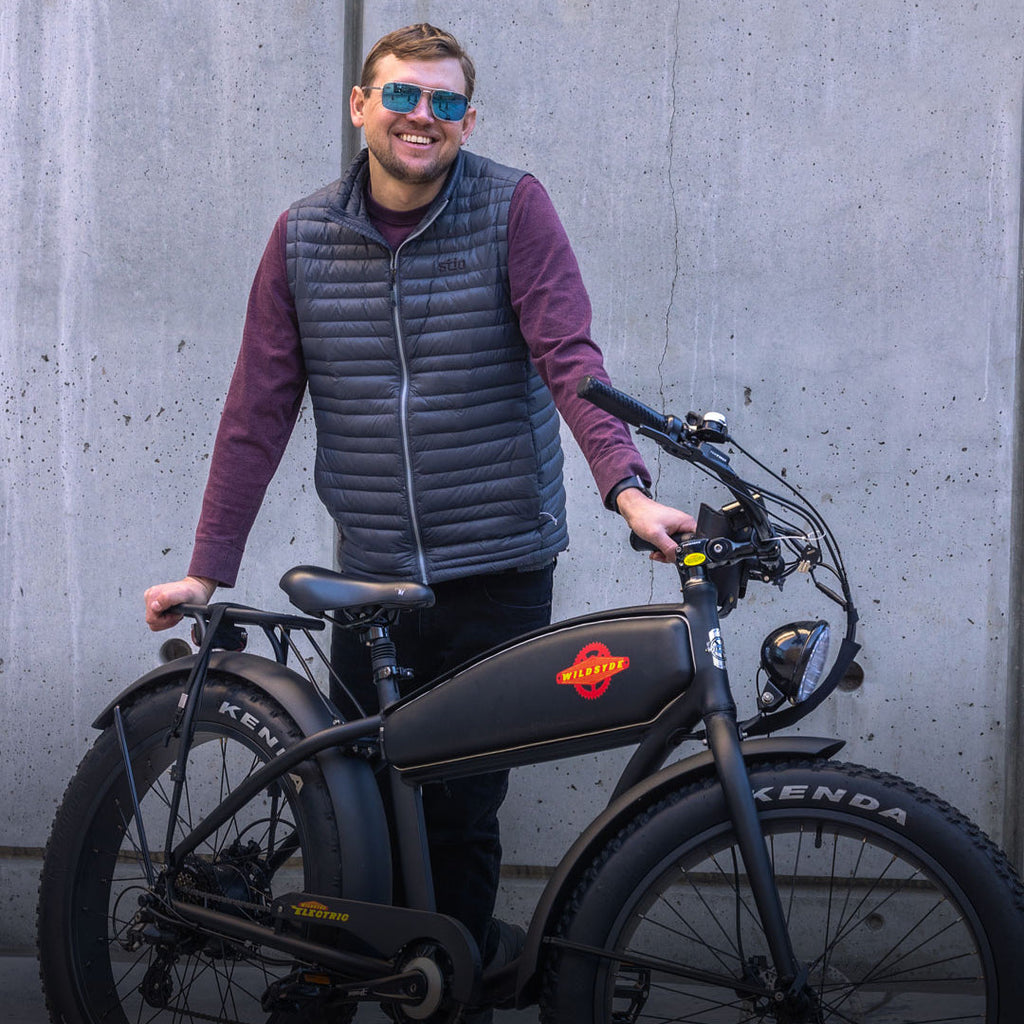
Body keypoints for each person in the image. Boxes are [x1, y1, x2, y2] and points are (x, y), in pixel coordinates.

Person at [145, 22, 695, 1019]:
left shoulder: (512, 208)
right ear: (361, 105)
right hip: (373, 578)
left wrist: (626, 489)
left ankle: (449, 996)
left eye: (444, 103)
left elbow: (569, 358)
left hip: (499, 565)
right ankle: (353, 974)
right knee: (354, 801)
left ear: (467, 122)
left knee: (464, 809)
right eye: (402, 95)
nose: (421, 117)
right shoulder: (303, 236)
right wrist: (206, 570)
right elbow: (256, 408)